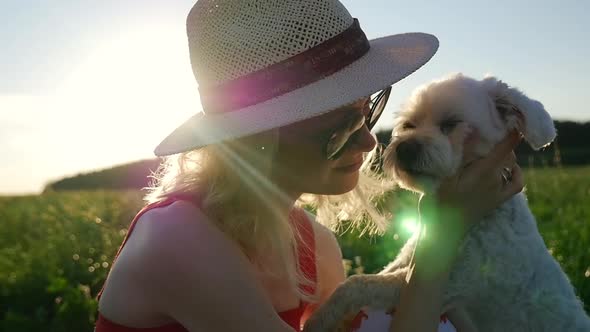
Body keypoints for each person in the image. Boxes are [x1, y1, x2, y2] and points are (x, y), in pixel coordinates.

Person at [95, 0, 523, 331]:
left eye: (368, 111)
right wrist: (442, 236)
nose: (369, 139)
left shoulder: (314, 247)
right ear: (257, 139)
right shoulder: (178, 239)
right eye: (341, 126)